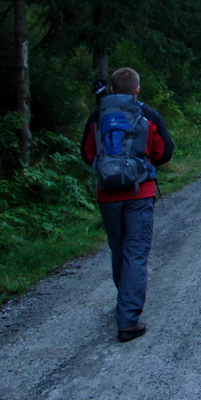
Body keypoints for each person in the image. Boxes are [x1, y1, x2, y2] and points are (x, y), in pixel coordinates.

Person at [80, 68, 174, 342]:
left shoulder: (98, 116)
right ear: (137, 88)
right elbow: (163, 152)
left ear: (113, 88)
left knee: (118, 250)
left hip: (107, 195)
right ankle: (128, 319)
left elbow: (87, 154)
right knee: (136, 253)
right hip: (139, 193)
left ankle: (124, 304)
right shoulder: (148, 115)